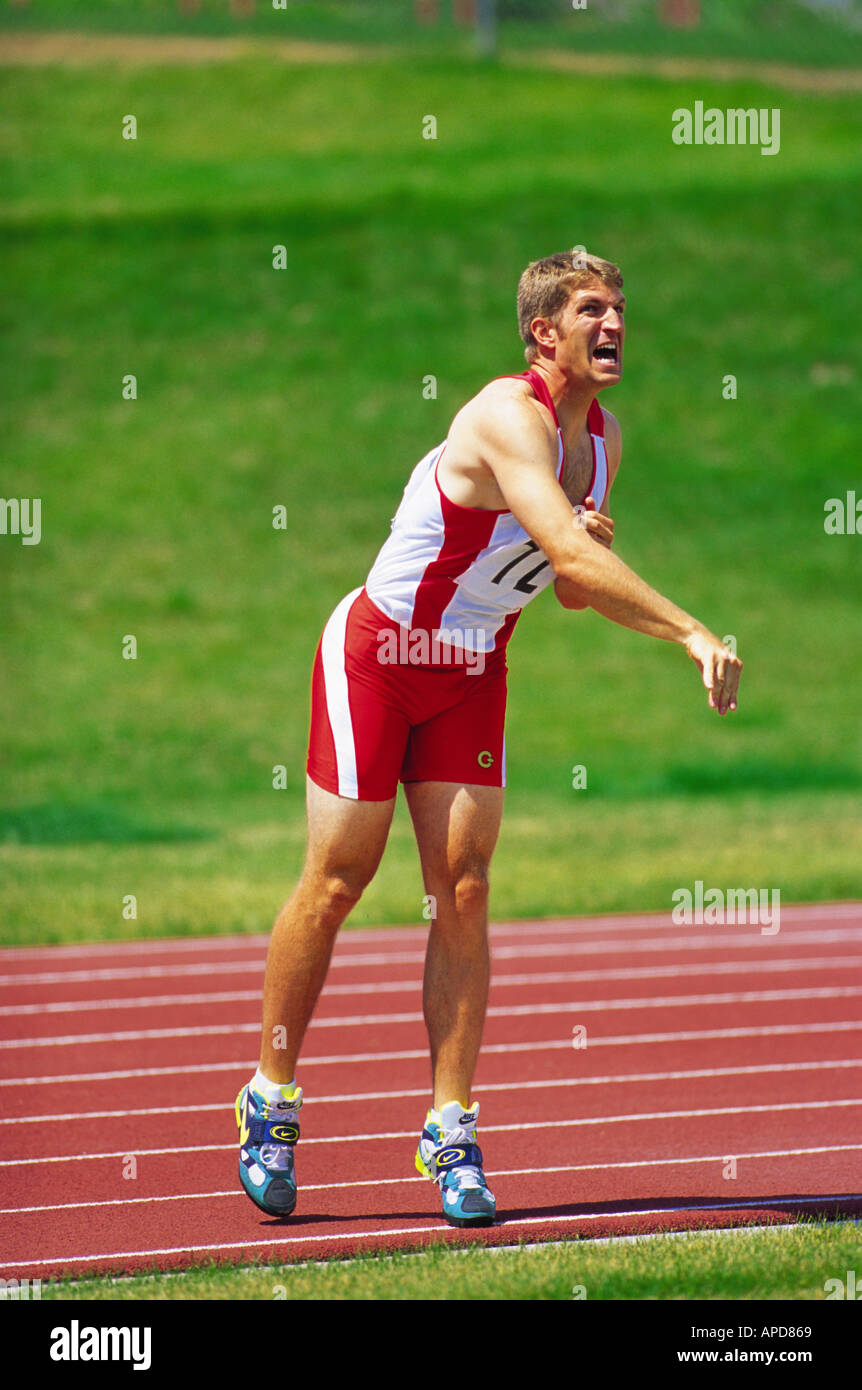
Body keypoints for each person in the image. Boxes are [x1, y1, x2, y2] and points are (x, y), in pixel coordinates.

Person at [235, 250, 742, 1227]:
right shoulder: (508, 416)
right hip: (378, 655)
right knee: (340, 875)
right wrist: (689, 629)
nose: (615, 323)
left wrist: (595, 560)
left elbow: (570, 582)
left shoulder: (603, 443)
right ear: (542, 332)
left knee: (463, 884)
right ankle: (271, 1094)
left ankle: (451, 1125)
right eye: (592, 308)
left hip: (470, 669)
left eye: (621, 307)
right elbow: (560, 550)